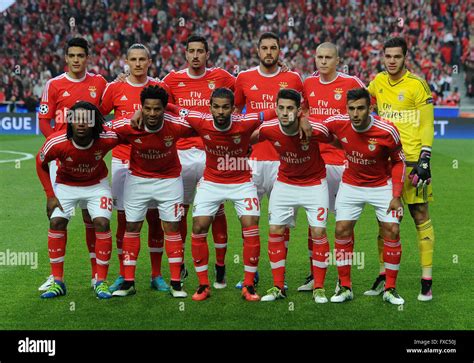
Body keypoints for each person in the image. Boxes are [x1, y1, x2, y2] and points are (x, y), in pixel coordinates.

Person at [166, 88, 284, 302]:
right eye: (216, 107)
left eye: (225, 107)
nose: (220, 111)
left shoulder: (246, 121)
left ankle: (248, 285)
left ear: (233, 108)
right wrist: (148, 105)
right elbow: (175, 108)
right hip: (211, 181)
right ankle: (203, 285)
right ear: (210, 107)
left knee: (251, 224)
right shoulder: (200, 120)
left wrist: (300, 114)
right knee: (199, 226)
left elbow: (276, 111)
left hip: (242, 182)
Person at [162, 35, 236, 289]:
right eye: (191, 51)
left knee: (217, 210)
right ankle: (180, 264)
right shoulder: (172, 79)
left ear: (207, 54)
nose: (195, 55)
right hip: (180, 154)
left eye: (200, 51)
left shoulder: (223, 77)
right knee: (180, 210)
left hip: (210, 153)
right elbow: (151, 96)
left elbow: (246, 88)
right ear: (185, 53)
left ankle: (220, 267)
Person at [233, 32, 304, 289]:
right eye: (264, 48)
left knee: (281, 222)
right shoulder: (244, 78)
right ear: (258, 50)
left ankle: (280, 279)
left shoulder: (293, 79)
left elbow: (303, 111)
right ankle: (251, 274)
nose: (269, 52)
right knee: (249, 221)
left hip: (284, 161)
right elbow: (233, 115)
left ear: (279, 50)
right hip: (252, 161)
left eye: (273, 48)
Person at [367, 37, 435, 301]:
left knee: (420, 216)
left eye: (397, 56)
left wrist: (425, 158)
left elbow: (427, 123)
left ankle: (426, 280)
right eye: (388, 56)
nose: (392, 61)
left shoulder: (418, 85)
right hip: (384, 162)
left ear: (405, 57)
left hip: (412, 163)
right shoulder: (378, 82)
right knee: (385, 222)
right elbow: (357, 96)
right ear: (383, 57)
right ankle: (384, 276)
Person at [110, 85, 195, 298]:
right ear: (141, 108)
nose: (152, 113)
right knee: (132, 226)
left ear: (164, 109)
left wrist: (174, 108)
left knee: (172, 227)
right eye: (147, 108)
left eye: (157, 109)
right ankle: (129, 282)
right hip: (137, 180)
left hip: (169, 180)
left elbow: (202, 121)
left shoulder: (176, 125)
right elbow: (101, 130)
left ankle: (176, 284)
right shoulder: (129, 125)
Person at [323, 88, 406, 305]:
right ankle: (345, 286)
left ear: (371, 108)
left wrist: (396, 195)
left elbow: (399, 161)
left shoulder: (387, 130)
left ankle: (390, 288)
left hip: (382, 185)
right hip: (351, 184)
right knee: (341, 229)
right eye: (351, 109)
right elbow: (317, 126)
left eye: (361, 108)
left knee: (392, 230)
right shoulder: (339, 122)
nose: (355, 113)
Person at [250, 89, 334, 303]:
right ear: (275, 108)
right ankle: (278, 286)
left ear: (299, 110)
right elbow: (246, 138)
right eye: (281, 108)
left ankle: (319, 287)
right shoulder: (268, 129)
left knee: (318, 231)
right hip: (285, 183)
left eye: (290, 109)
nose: (284, 113)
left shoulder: (316, 129)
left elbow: (339, 140)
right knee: (276, 230)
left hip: (315, 184)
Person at [38, 37, 107, 292]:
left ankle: (95, 275)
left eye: (81, 55)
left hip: (89, 157)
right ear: (66, 58)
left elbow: (109, 106)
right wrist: (58, 146)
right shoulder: (54, 84)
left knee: (93, 217)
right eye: (72, 56)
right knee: (57, 217)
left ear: (87, 57)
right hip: (61, 158)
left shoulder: (99, 82)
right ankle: (55, 276)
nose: (76, 60)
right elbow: (44, 120)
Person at [100, 43, 170, 293]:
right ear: (126, 62)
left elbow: (172, 118)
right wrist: (124, 122)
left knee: (155, 218)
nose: (138, 64)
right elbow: (98, 118)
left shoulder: (160, 87)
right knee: (124, 220)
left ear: (149, 61)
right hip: (122, 161)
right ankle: (124, 274)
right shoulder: (115, 87)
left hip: (152, 162)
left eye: (142, 59)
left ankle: (156, 275)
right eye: (133, 59)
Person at [298, 42, 366, 292]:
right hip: (315, 161)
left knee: (343, 222)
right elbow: (300, 109)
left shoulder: (352, 83)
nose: (323, 61)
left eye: (328, 57)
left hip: (343, 162)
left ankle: (342, 279)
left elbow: (370, 108)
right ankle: (313, 275)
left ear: (338, 60)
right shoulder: (308, 84)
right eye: (319, 57)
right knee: (315, 221)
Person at [36, 102, 117, 299]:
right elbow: (40, 163)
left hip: (97, 185)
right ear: (69, 122)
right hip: (66, 186)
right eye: (76, 119)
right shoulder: (57, 142)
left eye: (86, 120)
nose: (81, 124)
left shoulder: (107, 138)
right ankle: (58, 282)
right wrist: (50, 195)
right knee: (56, 221)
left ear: (94, 123)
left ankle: (101, 282)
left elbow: (128, 131)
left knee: (101, 222)